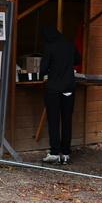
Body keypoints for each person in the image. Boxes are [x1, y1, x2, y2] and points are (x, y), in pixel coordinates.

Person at [39, 25, 80, 164]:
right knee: (67, 120)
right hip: (69, 88)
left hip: (53, 89)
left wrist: (49, 70)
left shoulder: (49, 47)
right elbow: (78, 59)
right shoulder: (69, 45)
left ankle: (55, 152)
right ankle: (66, 153)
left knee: (54, 120)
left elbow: (43, 69)